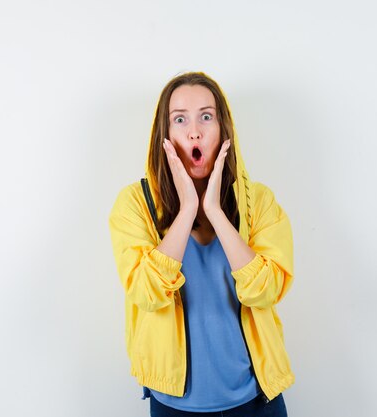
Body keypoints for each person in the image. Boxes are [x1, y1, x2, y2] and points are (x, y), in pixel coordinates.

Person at [109, 72, 295, 417]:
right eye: (180, 119)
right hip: (174, 406)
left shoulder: (260, 201)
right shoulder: (134, 204)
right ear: (164, 135)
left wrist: (215, 212)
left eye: (206, 117)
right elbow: (146, 292)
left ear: (224, 129)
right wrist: (187, 212)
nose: (194, 131)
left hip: (257, 401)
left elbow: (266, 290)